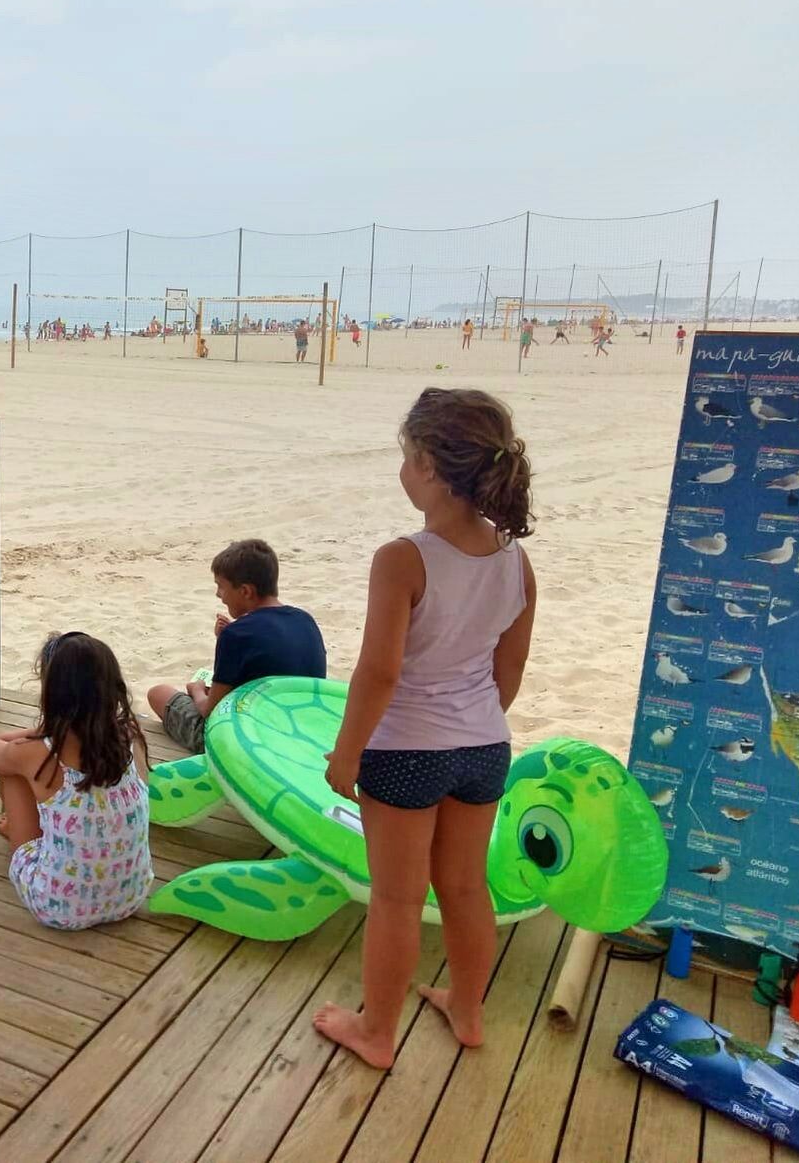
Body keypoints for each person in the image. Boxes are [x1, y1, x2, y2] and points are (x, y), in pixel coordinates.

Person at [313, 387, 536, 1071]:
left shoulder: (403, 557)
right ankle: (467, 1011)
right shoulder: (515, 559)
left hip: (406, 750)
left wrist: (346, 754)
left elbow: (378, 672)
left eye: (406, 458)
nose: (403, 471)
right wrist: (472, 725)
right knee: (466, 887)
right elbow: (509, 671)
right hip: (483, 746)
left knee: (397, 897)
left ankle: (376, 1032)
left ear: (432, 467)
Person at [0, 632, 153, 930]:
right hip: (131, 896)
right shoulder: (131, 737)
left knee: (12, 770)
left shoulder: (38, 751)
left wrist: (35, 735)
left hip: (57, 907)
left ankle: (17, 833)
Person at [146, 540, 327, 755]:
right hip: (299, 727)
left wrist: (196, 690)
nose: (218, 595)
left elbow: (209, 710)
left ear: (246, 591)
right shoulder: (305, 620)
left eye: (221, 586)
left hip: (250, 739)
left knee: (158, 693)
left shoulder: (236, 635)